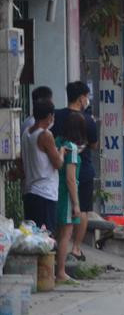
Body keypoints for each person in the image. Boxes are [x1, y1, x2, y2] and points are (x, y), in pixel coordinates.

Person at [54, 81, 99, 262]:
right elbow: (94, 145)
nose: (87, 100)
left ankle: (60, 247)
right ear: (81, 98)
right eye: (86, 97)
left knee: (62, 210)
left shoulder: (56, 116)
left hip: (59, 169)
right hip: (83, 168)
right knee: (82, 210)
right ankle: (76, 248)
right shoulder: (87, 120)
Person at [53, 110, 87, 284]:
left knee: (58, 233)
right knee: (66, 233)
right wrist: (76, 204)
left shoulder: (58, 142)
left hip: (54, 191)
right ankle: (60, 272)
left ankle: (55, 270)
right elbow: (71, 178)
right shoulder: (72, 148)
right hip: (66, 194)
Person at [20, 99, 63, 235]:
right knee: (46, 238)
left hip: (30, 192)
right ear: (50, 116)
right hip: (45, 193)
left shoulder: (27, 132)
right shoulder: (45, 135)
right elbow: (58, 163)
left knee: (33, 236)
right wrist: (61, 152)